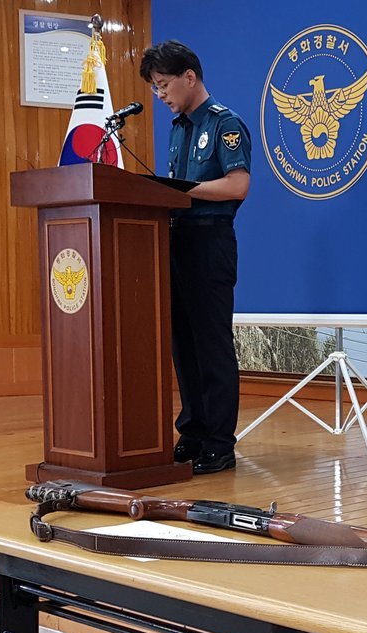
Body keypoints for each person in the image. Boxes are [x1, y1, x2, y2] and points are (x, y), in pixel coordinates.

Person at [139, 41, 251, 474]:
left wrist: (182, 192)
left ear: (190, 76)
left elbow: (237, 186)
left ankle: (220, 443)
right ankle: (194, 431)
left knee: (211, 343)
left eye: (163, 84)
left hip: (210, 241)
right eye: (154, 88)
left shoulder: (225, 123)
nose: (160, 94)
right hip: (176, 240)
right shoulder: (178, 128)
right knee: (183, 343)